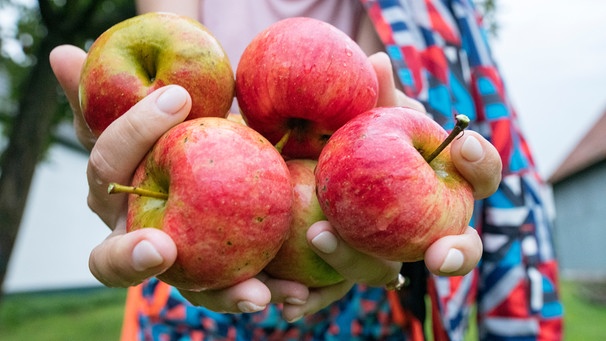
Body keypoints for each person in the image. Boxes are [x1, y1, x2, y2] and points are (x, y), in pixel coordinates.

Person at [49, 0, 562, 340]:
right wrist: (123, 148)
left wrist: (396, 216)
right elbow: (155, 120)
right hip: (191, 288)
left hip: (360, 297)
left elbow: (395, 133)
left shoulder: (430, 12)